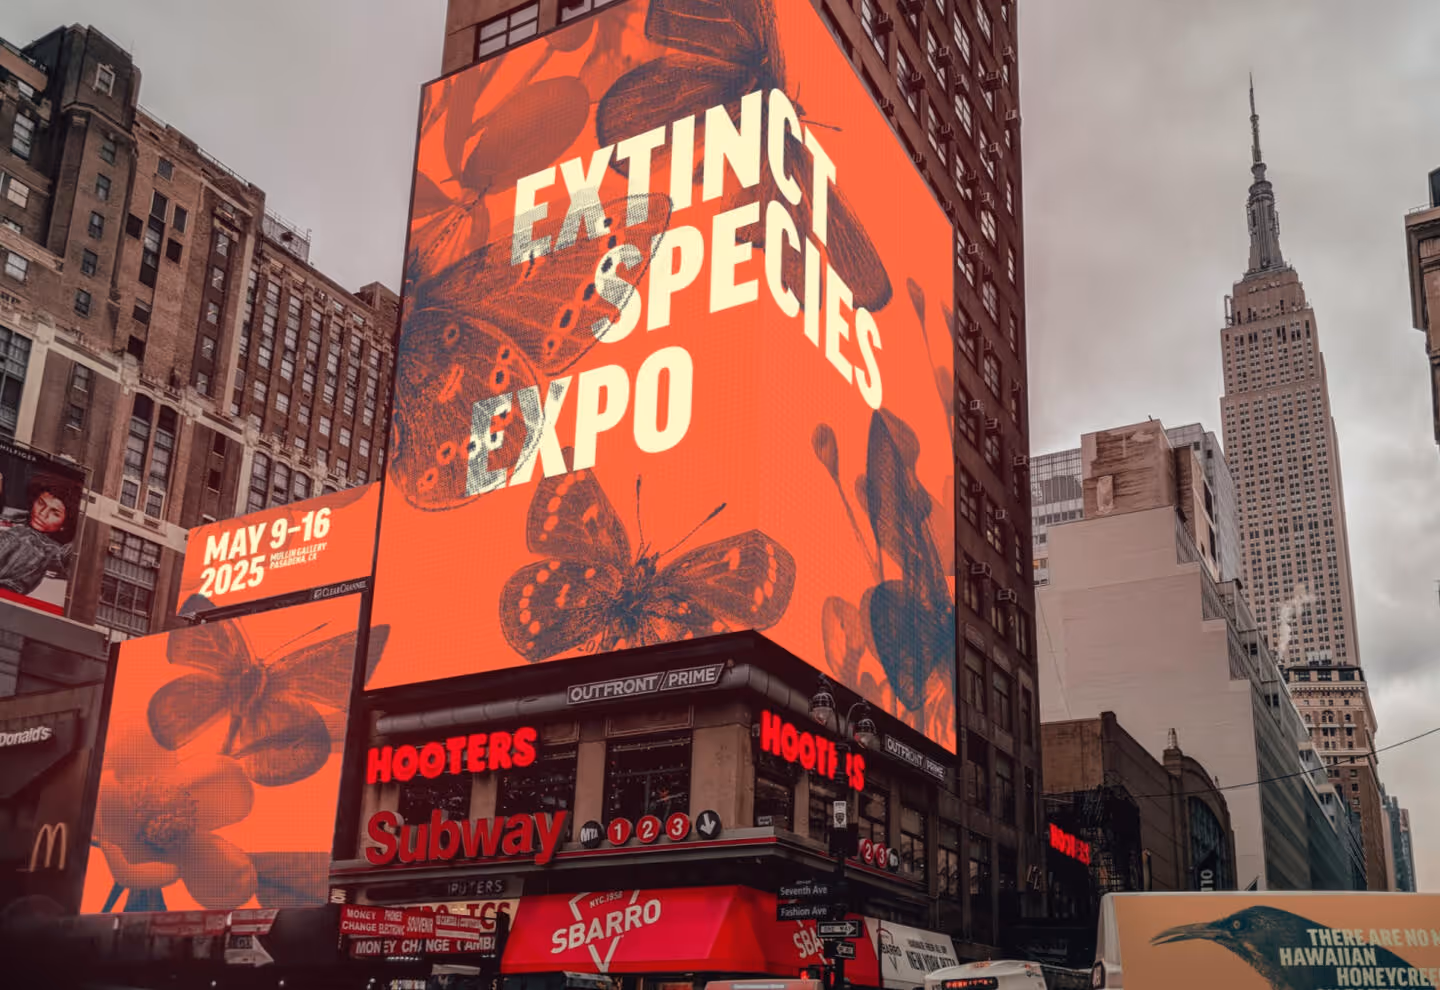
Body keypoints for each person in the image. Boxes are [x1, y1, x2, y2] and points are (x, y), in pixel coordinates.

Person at [0, 474, 78, 597]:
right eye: (41, 503)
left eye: (55, 513)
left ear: (65, 525)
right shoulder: (14, 516)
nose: (42, 513)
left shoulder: (43, 547)